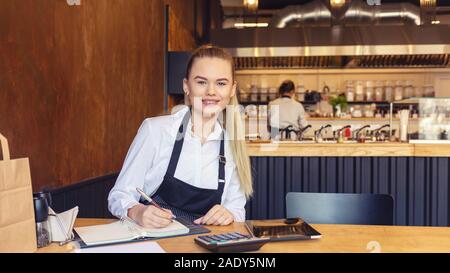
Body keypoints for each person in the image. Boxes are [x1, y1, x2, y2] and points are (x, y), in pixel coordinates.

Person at [108, 45, 253, 228]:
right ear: (186, 86)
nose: (211, 91)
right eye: (201, 82)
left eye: (221, 83)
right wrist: (137, 212)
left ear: (232, 90)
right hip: (153, 242)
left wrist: (229, 214)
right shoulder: (155, 130)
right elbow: (119, 195)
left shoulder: (232, 146)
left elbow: (238, 210)